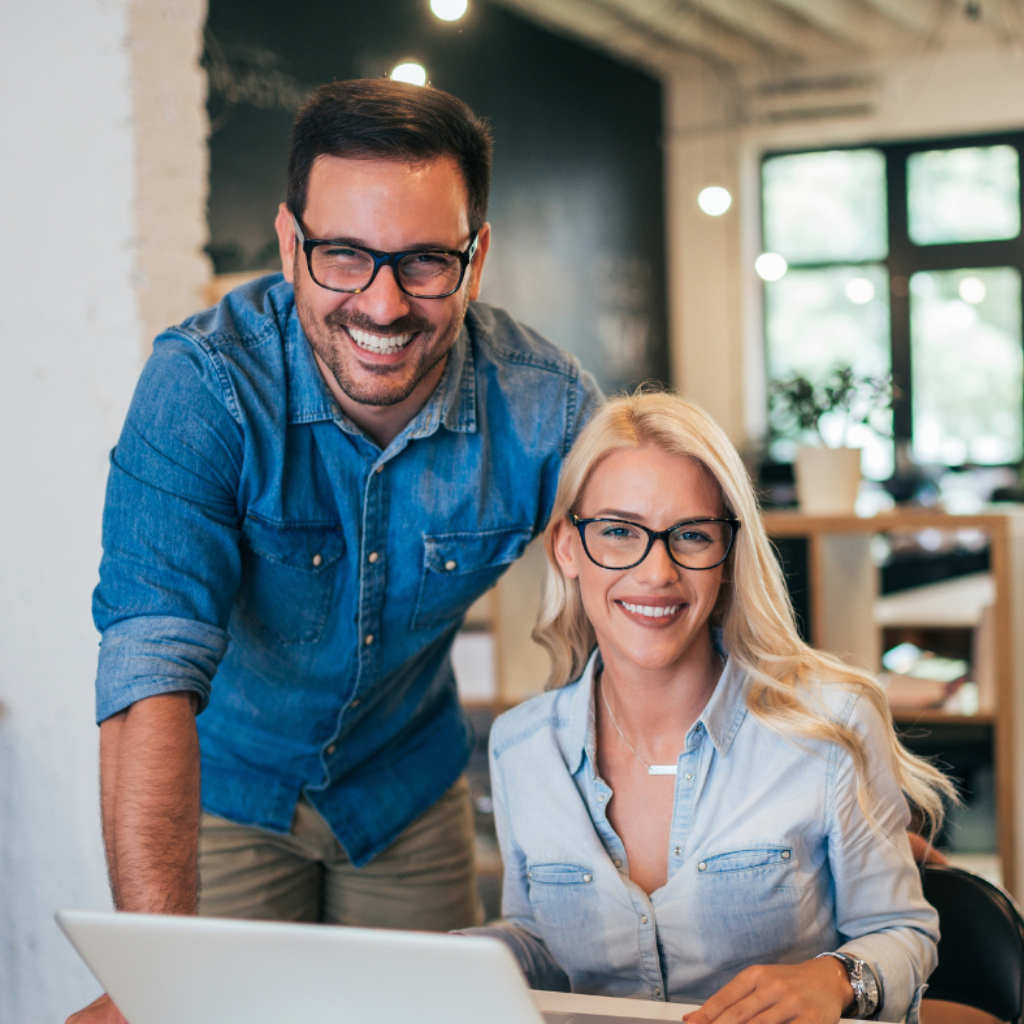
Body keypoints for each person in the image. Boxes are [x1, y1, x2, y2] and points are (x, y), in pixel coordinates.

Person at [69, 80, 601, 1024]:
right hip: (224, 791)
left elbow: (675, 603)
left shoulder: (546, 408)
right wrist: (153, 979)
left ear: (476, 259)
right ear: (289, 245)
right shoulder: (203, 387)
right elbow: (148, 670)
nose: (383, 305)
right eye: (344, 256)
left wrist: (815, 793)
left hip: (407, 788)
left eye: (426, 261)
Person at [469, 390, 955, 1024]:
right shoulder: (520, 747)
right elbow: (541, 946)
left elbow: (903, 932)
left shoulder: (832, 725)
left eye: (691, 536)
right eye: (618, 532)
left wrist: (837, 979)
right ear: (567, 547)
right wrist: (454, 957)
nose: (656, 572)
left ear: (727, 556)